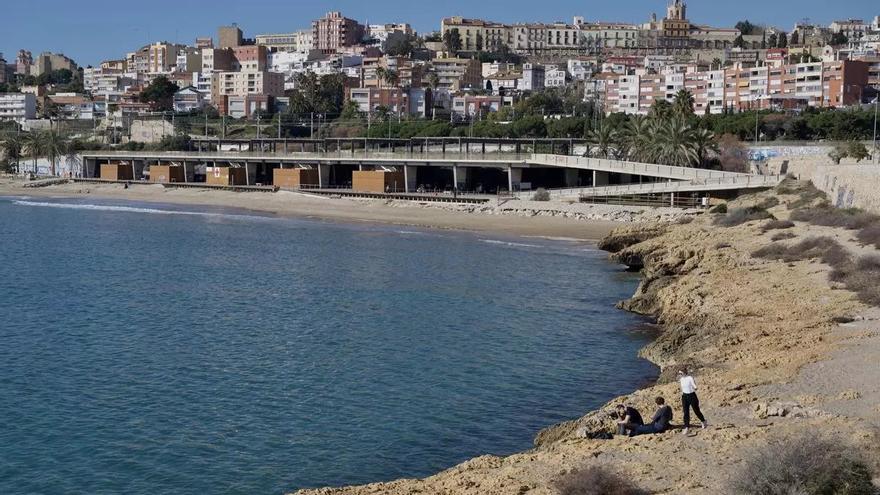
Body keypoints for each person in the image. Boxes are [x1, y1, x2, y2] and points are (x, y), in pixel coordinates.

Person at [679, 368, 708, 434]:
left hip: (692, 396)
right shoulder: (681, 379)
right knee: (686, 412)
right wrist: (682, 393)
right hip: (684, 396)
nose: (680, 375)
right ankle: (686, 427)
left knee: (696, 410)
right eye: (679, 374)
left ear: (684, 372)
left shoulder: (690, 378)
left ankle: (703, 421)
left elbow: (694, 384)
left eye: (681, 373)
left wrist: (695, 387)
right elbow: (682, 388)